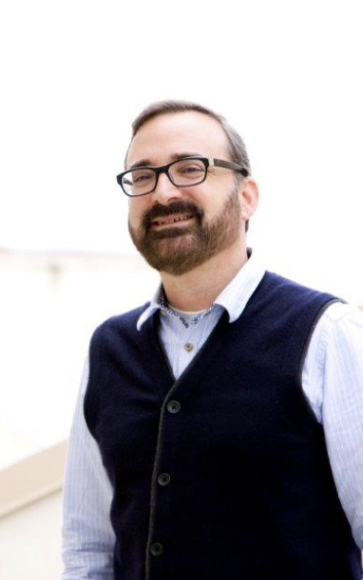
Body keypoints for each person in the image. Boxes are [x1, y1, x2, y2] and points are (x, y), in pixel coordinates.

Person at [61, 100, 363, 579]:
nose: (162, 193)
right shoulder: (109, 349)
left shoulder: (327, 335)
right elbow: (88, 549)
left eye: (189, 168)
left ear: (247, 197)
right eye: (142, 176)